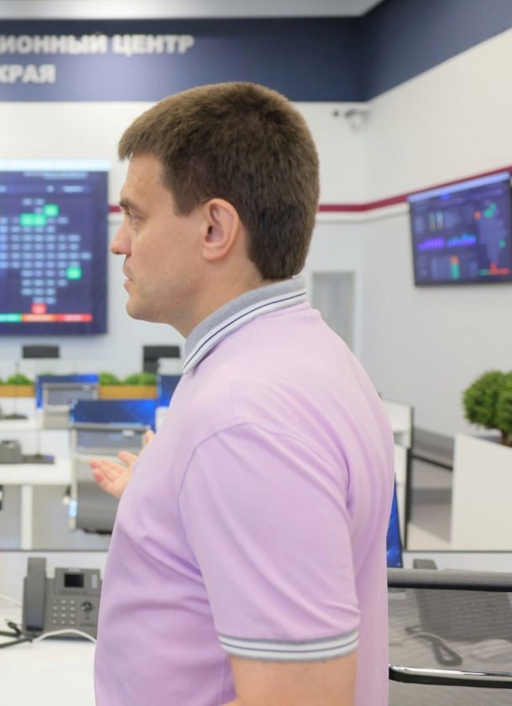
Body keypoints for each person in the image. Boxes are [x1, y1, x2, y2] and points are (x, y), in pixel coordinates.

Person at [94, 82, 394, 706]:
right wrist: (166, 500)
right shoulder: (308, 355)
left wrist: (220, 459)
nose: (120, 242)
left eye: (136, 216)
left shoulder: (242, 419)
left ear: (214, 228)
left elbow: (301, 700)